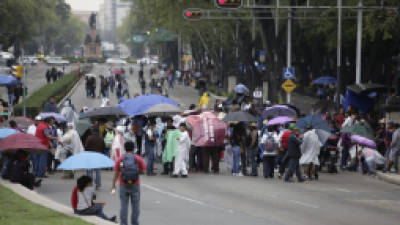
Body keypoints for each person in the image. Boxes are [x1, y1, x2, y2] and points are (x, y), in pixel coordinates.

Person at [111, 141, 146, 225]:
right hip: (135, 184)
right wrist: (137, 172)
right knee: (135, 207)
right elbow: (143, 171)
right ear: (133, 149)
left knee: (124, 206)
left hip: (123, 184)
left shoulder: (120, 159)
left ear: (124, 148)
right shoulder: (138, 158)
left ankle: (123, 223)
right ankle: (134, 223)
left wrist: (113, 185)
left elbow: (116, 173)